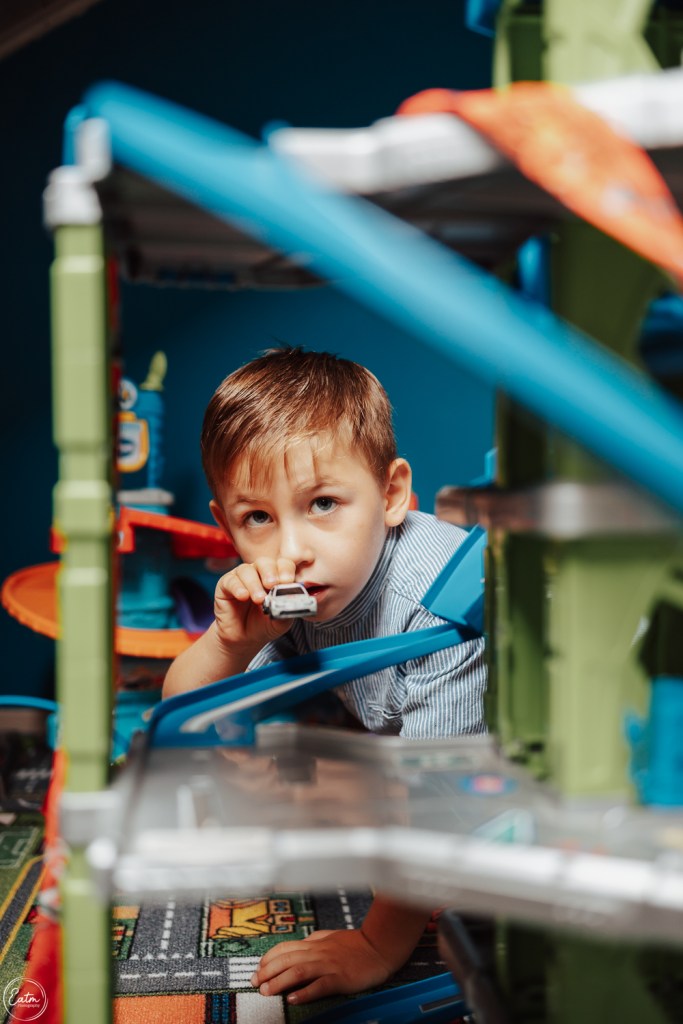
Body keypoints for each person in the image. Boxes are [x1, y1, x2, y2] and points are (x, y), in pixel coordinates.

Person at [163, 346, 487, 1006]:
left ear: (391, 495)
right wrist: (228, 643)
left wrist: (376, 944)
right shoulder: (298, 592)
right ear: (224, 524)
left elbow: (438, 802)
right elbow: (183, 716)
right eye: (258, 517)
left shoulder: (439, 608)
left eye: (323, 503)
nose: (292, 551)